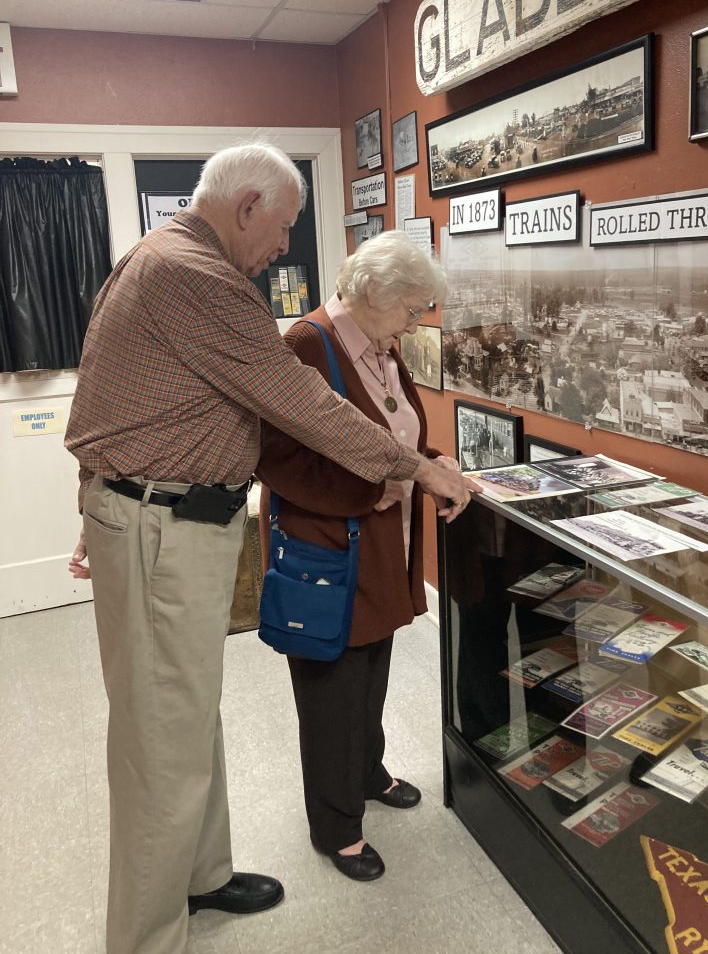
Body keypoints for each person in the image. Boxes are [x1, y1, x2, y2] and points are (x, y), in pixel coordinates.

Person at [64, 142, 474, 954]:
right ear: (246, 206)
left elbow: (116, 400)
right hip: (160, 524)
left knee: (187, 722)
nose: (286, 246)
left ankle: (201, 877)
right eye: (283, 226)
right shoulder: (197, 277)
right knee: (161, 741)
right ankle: (148, 938)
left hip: (167, 518)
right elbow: (303, 407)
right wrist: (418, 470)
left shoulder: (162, 258)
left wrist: (98, 494)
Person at [256, 231, 468, 883]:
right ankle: (336, 826)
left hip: (380, 545)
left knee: (371, 671)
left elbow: (392, 437)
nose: (416, 322)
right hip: (330, 550)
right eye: (412, 308)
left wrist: (432, 464)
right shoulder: (307, 345)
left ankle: (367, 772)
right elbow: (275, 459)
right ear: (374, 292)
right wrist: (373, 489)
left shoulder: (380, 343)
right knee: (331, 689)